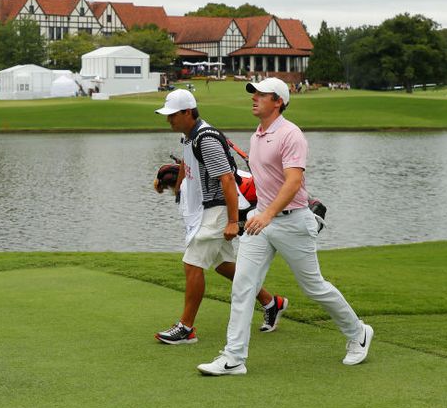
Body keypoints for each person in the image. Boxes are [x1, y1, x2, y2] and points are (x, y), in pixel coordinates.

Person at [197, 78, 373, 376]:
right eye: (253, 94)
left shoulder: (291, 135)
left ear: (278, 101)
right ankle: (234, 358)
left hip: (293, 222)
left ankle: (358, 332)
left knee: (314, 287)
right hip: (262, 221)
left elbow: (293, 182)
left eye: (261, 95)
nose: (254, 99)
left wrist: (266, 214)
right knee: (243, 285)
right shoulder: (257, 136)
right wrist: (255, 212)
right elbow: (263, 181)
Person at [153, 89, 287, 345]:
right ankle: (272, 302)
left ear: (187, 112)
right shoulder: (189, 136)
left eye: (172, 115)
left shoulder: (206, 138)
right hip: (205, 209)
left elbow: (226, 179)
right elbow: (186, 164)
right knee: (224, 265)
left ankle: (186, 328)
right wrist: (177, 187)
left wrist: (233, 221)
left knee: (192, 264)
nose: (168, 120)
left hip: (217, 209)